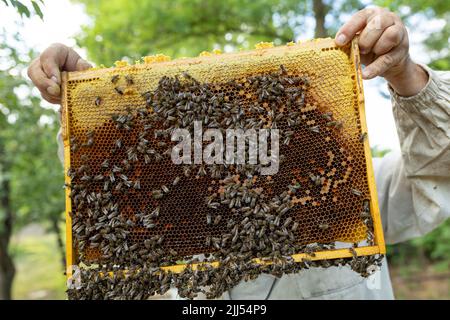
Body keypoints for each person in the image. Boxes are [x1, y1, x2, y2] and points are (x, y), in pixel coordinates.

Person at [27, 7, 449, 299]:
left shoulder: (351, 194)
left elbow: (437, 172)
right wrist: (90, 103)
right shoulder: (173, 225)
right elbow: (113, 200)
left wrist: (406, 74)